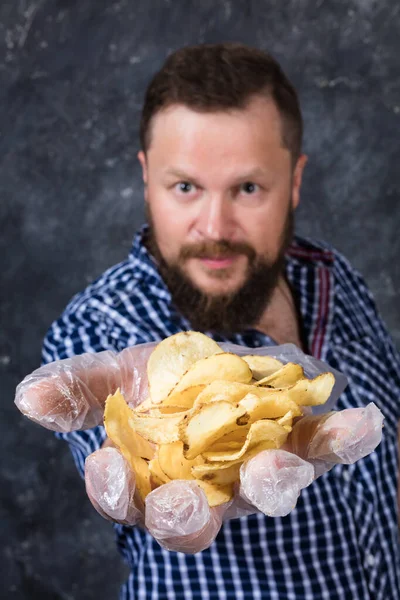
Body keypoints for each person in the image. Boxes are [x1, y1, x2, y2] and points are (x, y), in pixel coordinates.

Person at [15, 43, 399, 599]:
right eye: (186, 187)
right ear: (146, 177)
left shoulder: (335, 276)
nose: (214, 227)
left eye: (247, 188)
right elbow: (152, 495)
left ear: (294, 180)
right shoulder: (97, 333)